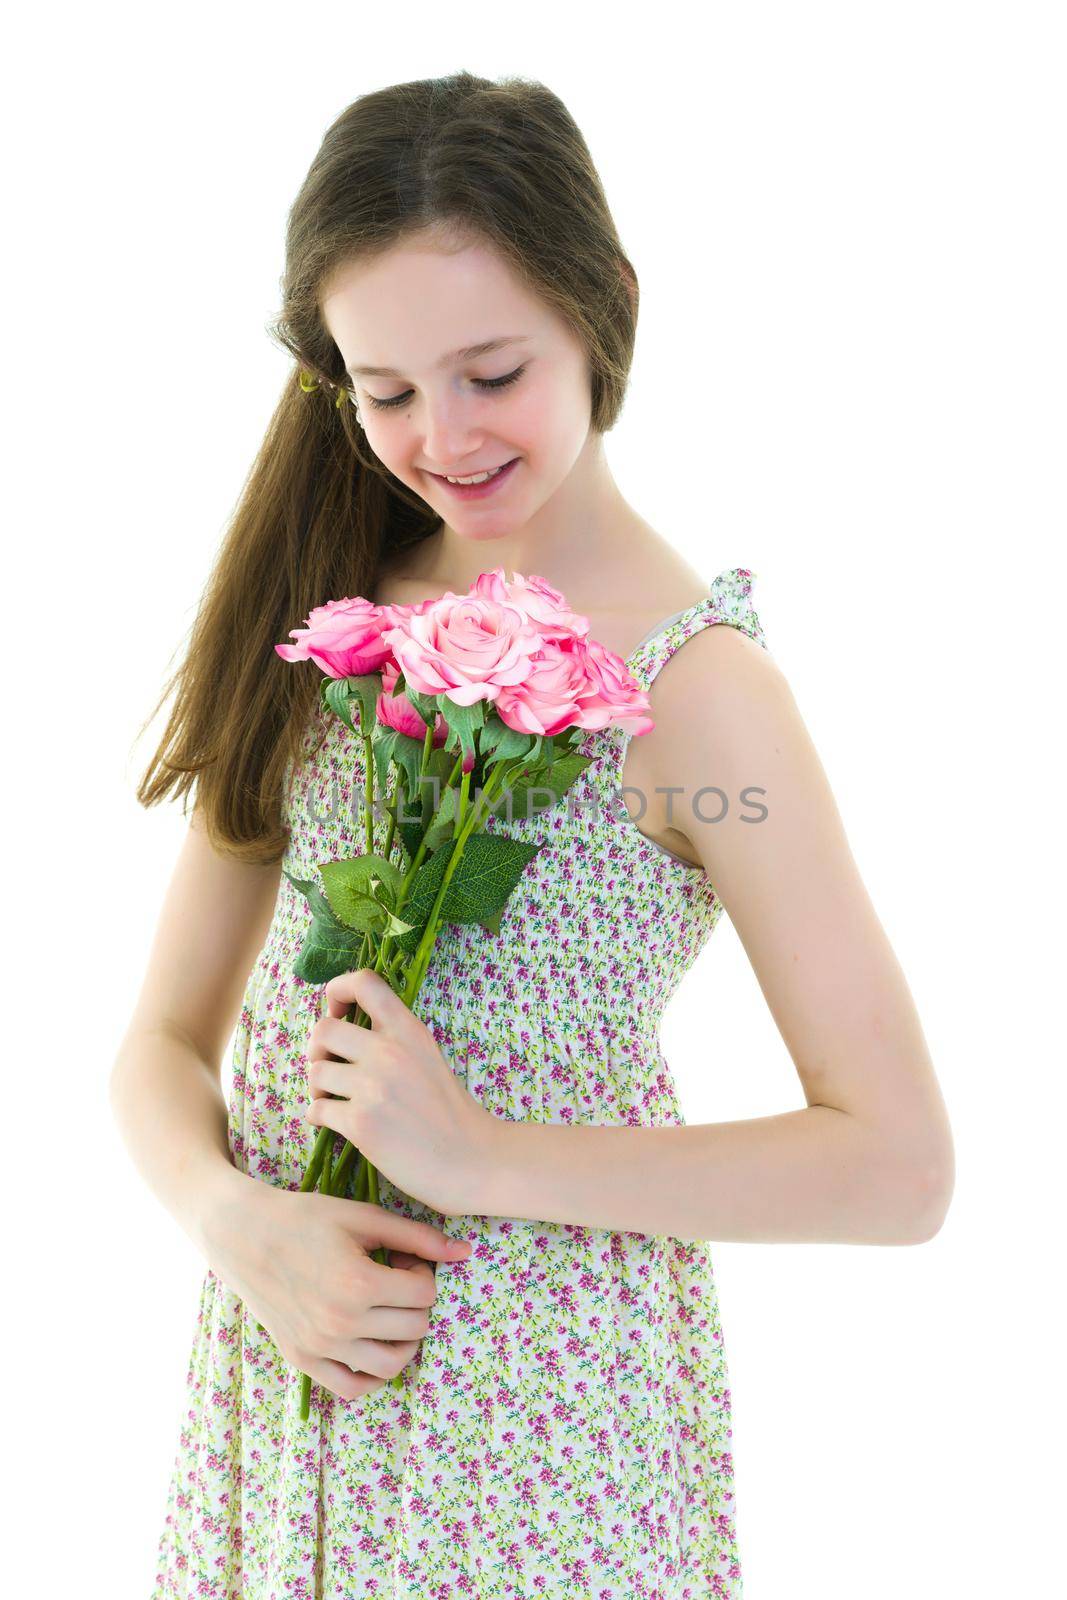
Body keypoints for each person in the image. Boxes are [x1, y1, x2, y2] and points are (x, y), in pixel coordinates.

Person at [110, 69, 955, 1599]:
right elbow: (159, 1043)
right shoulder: (333, 626)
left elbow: (897, 1166)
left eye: (492, 369)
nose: (443, 435)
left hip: (551, 1433)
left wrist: (481, 1157)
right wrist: (242, 1225)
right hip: (286, 1373)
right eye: (385, 393)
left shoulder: (701, 697)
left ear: (605, 306)